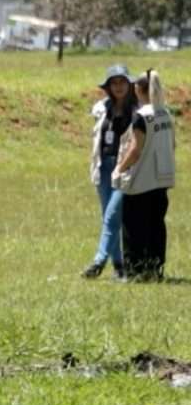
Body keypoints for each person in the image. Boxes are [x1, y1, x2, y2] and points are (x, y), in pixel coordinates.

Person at [113, 69, 175, 282]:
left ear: (138, 89)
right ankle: (155, 269)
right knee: (156, 225)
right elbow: (172, 144)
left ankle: (134, 271)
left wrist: (119, 168)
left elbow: (135, 150)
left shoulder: (142, 116)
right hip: (162, 179)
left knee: (133, 227)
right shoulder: (165, 113)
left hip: (141, 181)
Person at [83, 65, 136, 279]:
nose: (118, 87)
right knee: (108, 217)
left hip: (125, 168)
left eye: (122, 82)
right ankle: (119, 266)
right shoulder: (101, 108)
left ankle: (99, 261)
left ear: (129, 84)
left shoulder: (137, 110)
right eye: (114, 83)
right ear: (108, 87)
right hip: (103, 166)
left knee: (113, 215)